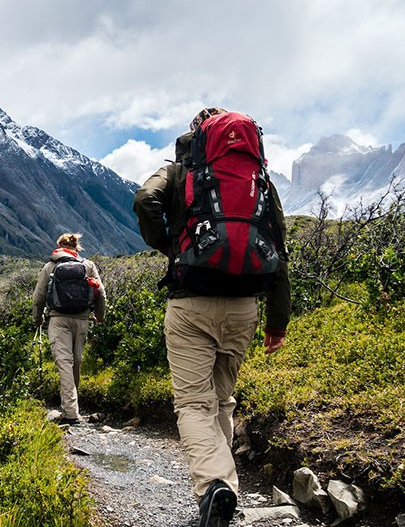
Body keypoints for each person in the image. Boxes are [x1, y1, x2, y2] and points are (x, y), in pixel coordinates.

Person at [132, 108, 291, 527]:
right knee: (222, 398)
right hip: (245, 306)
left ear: (197, 134)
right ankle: (227, 491)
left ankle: (214, 485)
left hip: (191, 303)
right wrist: (278, 321)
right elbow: (278, 247)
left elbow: (144, 201)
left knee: (192, 403)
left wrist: (170, 245)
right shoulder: (260, 180)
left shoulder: (181, 171)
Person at [32, 232, 106, 425]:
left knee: (64, 363)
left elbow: (38, 297)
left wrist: (38, 319)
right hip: (82, 320)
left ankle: (71, 413)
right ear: (77, 248)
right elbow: (101, 293)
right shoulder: (88, 265)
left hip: (58, 320)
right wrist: (99, 316)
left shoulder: (50, 266)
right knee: (76, 362)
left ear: (59, 246)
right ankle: (72, 407)